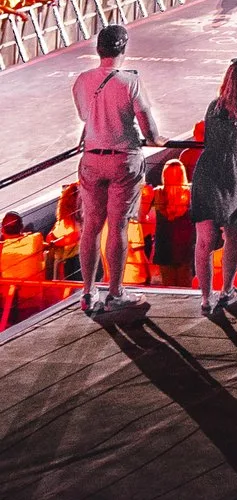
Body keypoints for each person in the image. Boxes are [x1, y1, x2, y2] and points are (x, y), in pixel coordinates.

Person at [71, 21, 159, 316]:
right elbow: (146, 121)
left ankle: (87, 291)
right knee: (117, 226)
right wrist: (156, 138)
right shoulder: (130, 80)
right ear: (122, 49)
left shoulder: (82, 80)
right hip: (123, 157)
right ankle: (116, 292)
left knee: (91, 227)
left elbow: (85, 115)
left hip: (92, 157)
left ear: (99, 49)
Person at [190, 57, 237, 317]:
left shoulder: (214, 108)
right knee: (234, 234)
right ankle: (227, 290)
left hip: (208, 169)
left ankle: (205, 297)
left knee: (204, 240)